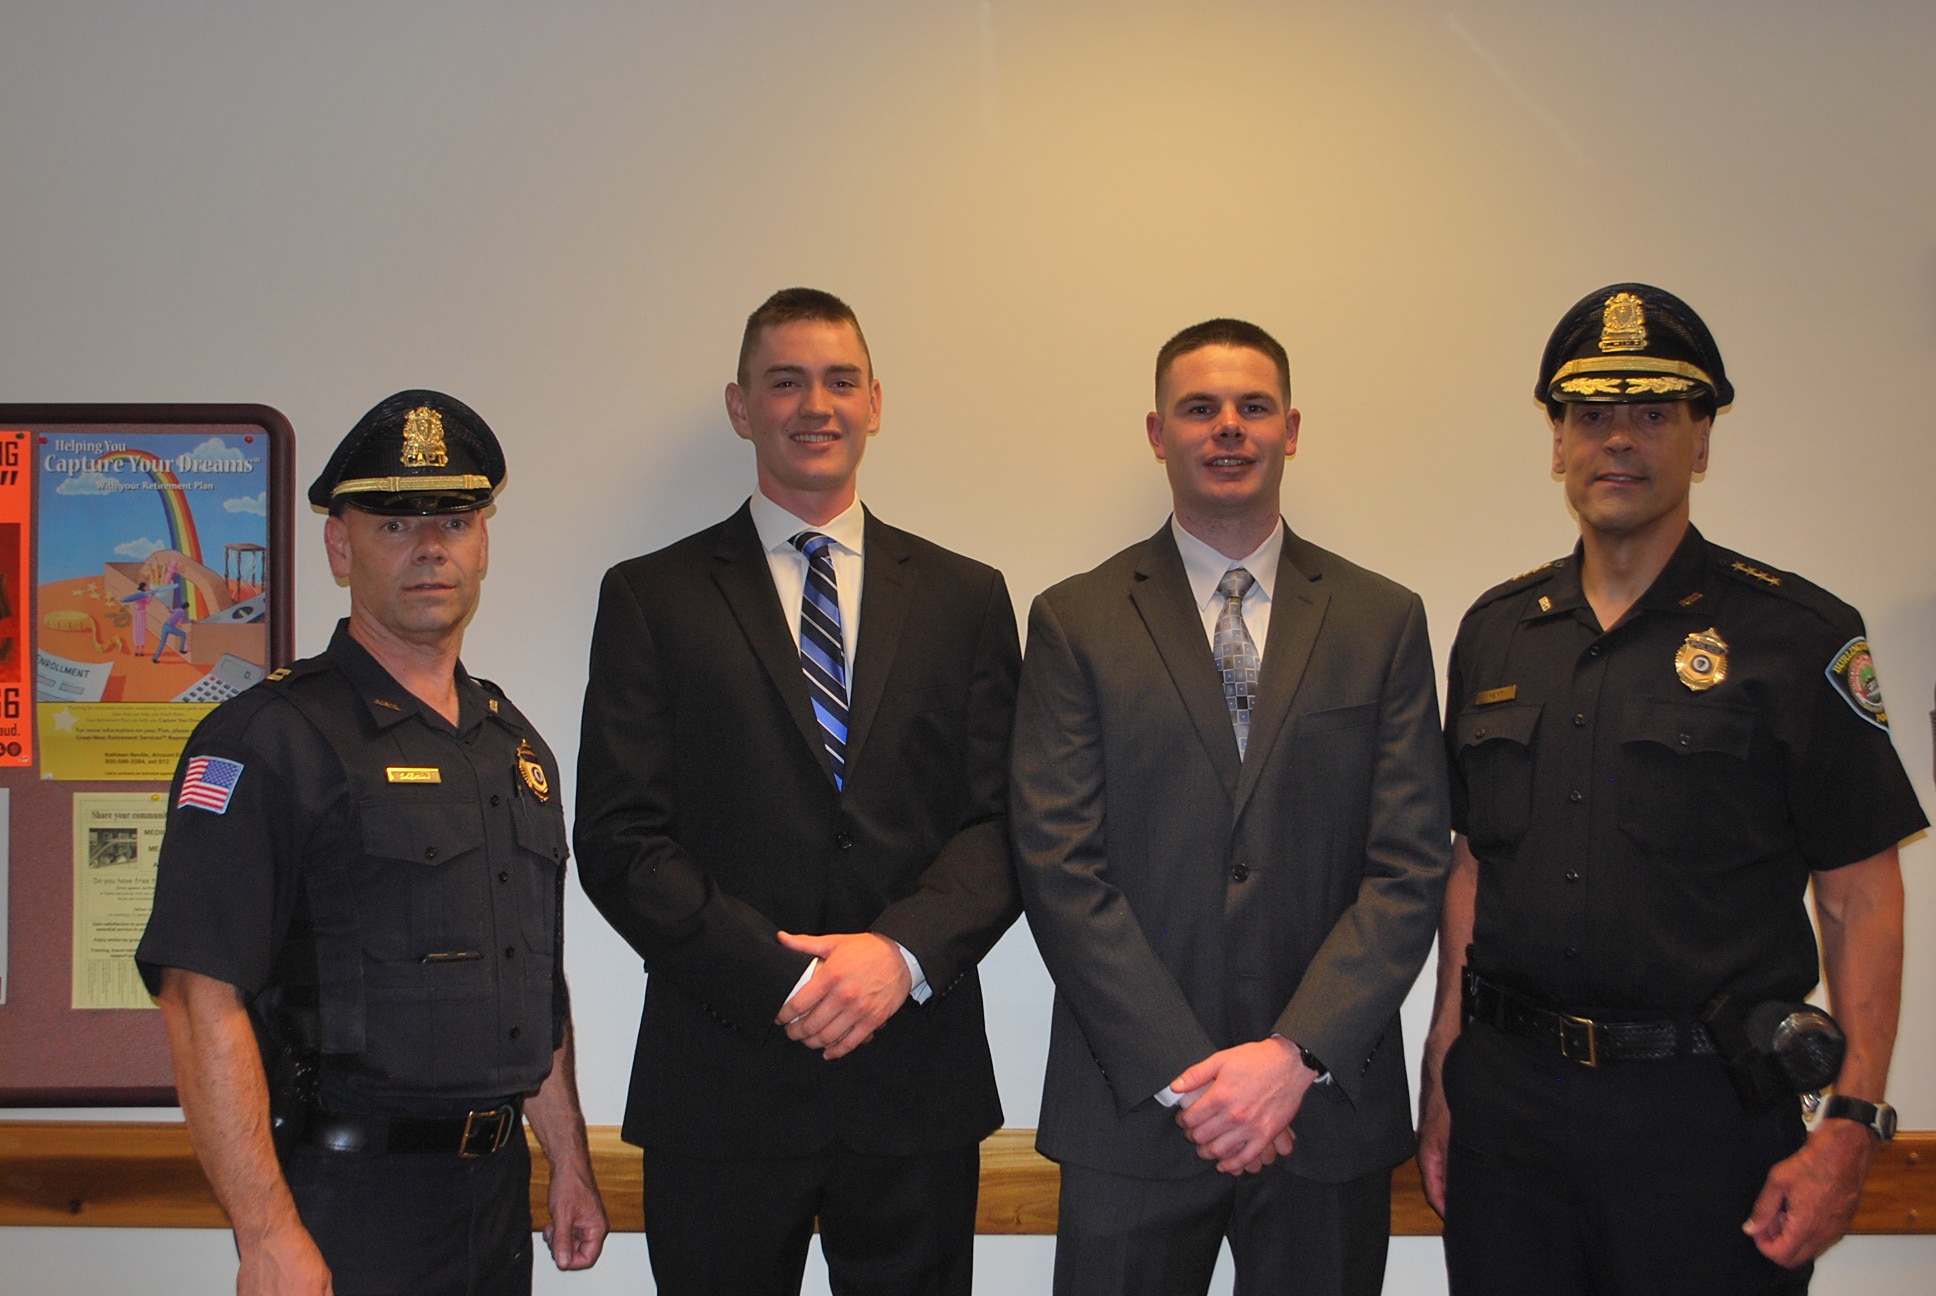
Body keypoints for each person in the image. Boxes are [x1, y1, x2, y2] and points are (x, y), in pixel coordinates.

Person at [1416, 283, 1926, 1295]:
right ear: (1557, 443)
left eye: (1653, 412)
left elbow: (1861, 897)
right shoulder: (1497, 632)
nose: (1617, 439)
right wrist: (1442, 1064)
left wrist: (1853, 1122)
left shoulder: (1797, 637)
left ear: (1701, 441)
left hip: (1706, 1120)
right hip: (1511, 1117)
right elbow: (1472, 867)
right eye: (1590, 415)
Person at [574, 287, 1022, 1295]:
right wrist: (786, 981)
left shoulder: (966, 597)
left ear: (875, 403)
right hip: (720, 1080)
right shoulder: (652, 596)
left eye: (838, 381)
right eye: (785, 382)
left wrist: (898, 956)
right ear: (741, 407)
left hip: (916, 1083)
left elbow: (1005, 822)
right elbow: (619, 837)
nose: (814, 405)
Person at [1009, 318, 1451, 1296]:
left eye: (1253, 407)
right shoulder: (1075, 621)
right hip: (1131, 1113)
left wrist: (1293, 1057)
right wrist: (1190, 1078)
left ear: (1291, 429)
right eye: (1199, 407)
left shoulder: (1383, 621)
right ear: (1157, 433)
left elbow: (1409, 864)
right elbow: (1058, 866)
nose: (1228, 427)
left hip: (1321, 1114)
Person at [136, 391, 608, 1296]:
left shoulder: (512, 748)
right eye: (395, 523)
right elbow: (199, 999)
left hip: (493, 1197)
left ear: (482, 543)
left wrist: (569, 1161)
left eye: (456, 521)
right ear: (339, 547)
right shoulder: (268, 739)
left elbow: (530, 987)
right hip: (347, 1200)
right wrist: (266, 1233)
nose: (431, 547)